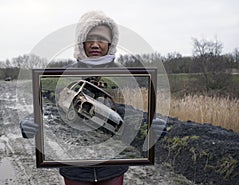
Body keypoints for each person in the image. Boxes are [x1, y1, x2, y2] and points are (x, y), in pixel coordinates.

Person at [20, 11, 166, 185]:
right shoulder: (62, 75)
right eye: (90, 38)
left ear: (111, 43)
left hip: (113, 166)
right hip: (75, 167)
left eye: (102, 39)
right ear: (81, 41)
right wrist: (31, 122)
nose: (95, 44)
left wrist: (151, 128)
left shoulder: (125, 77)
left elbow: (132, 115)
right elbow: (49, 110)